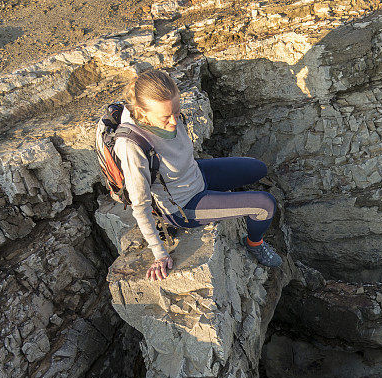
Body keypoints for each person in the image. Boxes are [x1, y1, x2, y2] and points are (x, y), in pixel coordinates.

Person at [114, 69, 282, 281]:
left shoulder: (164, 113)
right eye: (165, 118)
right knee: (265, 205)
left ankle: (220, 196)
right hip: (184, 206)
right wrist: (159, 253)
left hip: (195, 173)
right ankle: (254, 243)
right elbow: (140, 205)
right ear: (142, 112)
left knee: (258, 168)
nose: (174, 122)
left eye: (176, 112)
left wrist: (171, 117)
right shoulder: (132, 145)